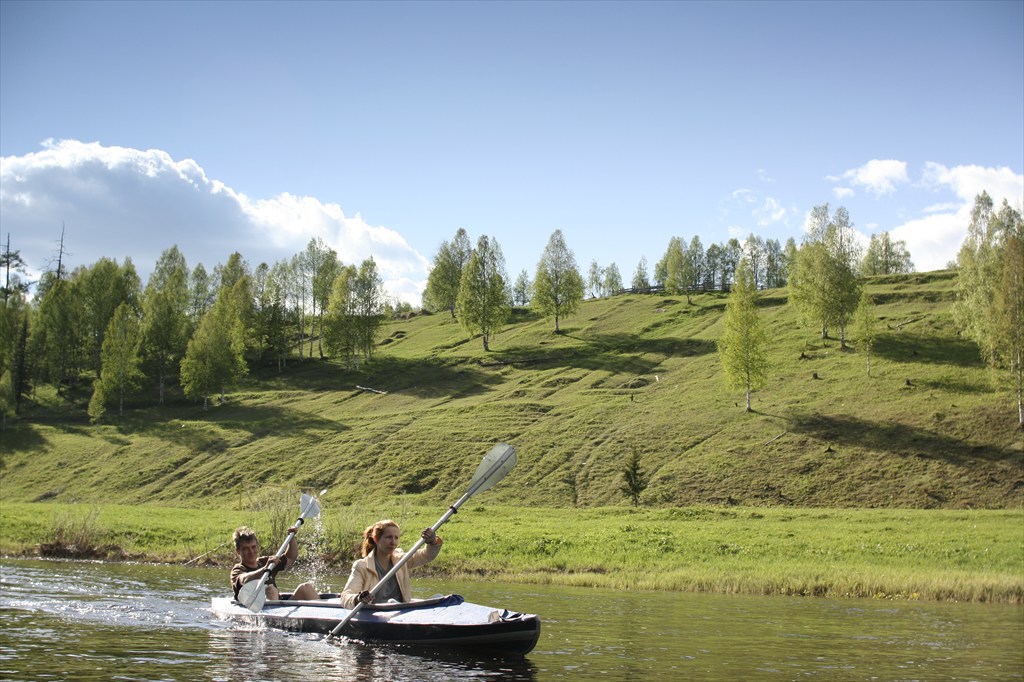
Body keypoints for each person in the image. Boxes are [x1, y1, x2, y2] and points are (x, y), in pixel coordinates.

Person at [339, 519, 442, 608]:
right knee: (391, 602)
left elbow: (427, 555)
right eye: (389, 537)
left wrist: (432, 541)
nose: (393, 542)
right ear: (376, 539)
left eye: (396, 537)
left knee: (439, 596)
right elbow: (345, 597)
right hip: (375, 615)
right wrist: (358, 598)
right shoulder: (361, 566)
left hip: (401, 613)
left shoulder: (401, 560)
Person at [230, 525, 320, 602]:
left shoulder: (265, 561)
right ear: (238, 551)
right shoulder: (238, 569)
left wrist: (292, 538)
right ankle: (275, 620)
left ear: (257, 547)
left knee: (306, 587)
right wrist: (265, 569)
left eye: (253, 547)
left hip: (280, 608)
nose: (251, 551)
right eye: (246, 548)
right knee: (270, 589)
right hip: (258, 610)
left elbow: (290, 557)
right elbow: (244, 580)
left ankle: (325, 619)